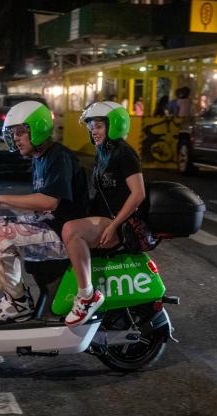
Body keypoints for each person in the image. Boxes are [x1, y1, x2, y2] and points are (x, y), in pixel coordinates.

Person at [0, 100, 89, 323]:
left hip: (64, 234)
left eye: (21, 132)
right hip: (51, 224)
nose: (16, 138)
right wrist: (1, 206)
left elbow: (48, 202)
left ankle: (18, 304)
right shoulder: (40, 157)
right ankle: (17, 296)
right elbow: (37, 202)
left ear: (37, 128)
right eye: (13, 133)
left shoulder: (58, 157)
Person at [61, 101, 145, 327]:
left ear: (114, 125)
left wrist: (113, 226)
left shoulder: (125, 154)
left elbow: (138, 194)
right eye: (91, 127)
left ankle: (87, 296)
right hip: (105, 218)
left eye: (98, 126)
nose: (93, 131)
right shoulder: (104, 152)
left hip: (121, 225)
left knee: (71, 230)